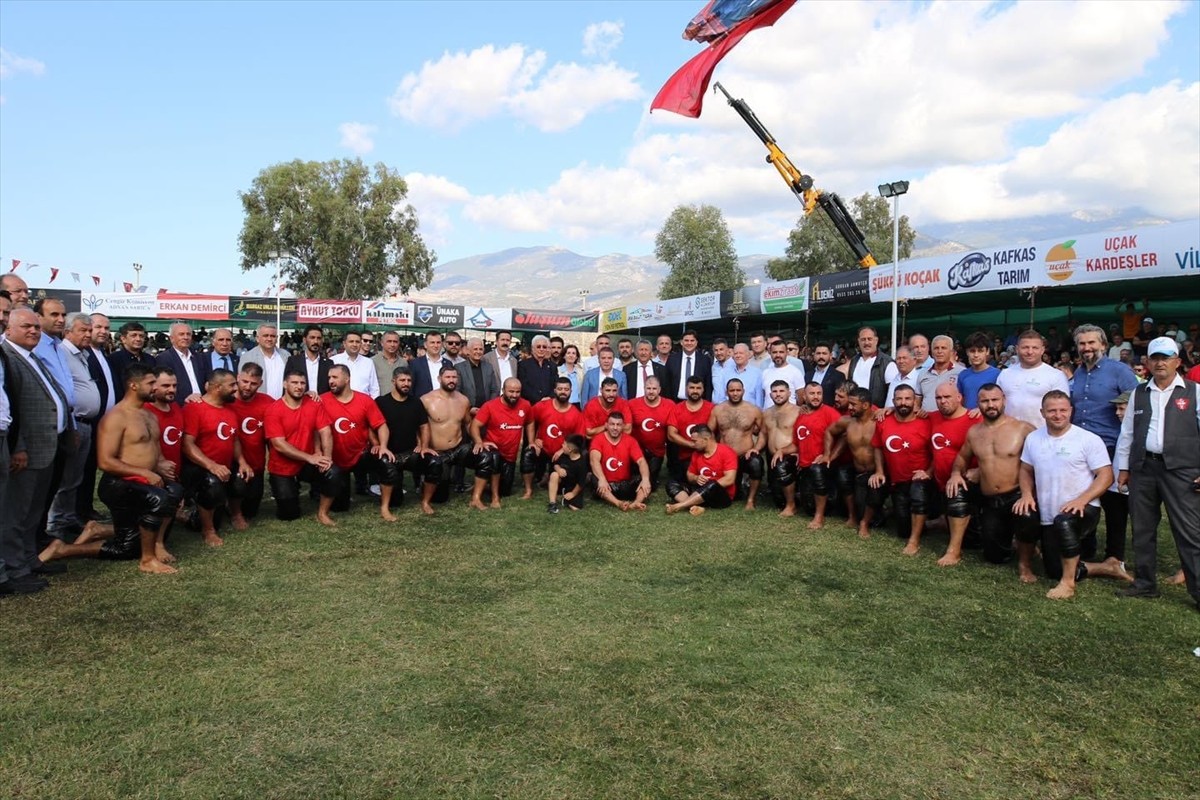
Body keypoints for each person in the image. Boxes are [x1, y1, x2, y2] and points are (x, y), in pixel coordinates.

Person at [37, 363, 181, 575]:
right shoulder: (116, 417)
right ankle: (147, 559)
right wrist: (144, 473)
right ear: (133, 385)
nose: (156, 388)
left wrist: (160, 464)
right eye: (151, 383)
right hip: (119, 484)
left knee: (173, 493)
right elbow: (105, 462)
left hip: (144, 482)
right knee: (153, 508)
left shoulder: (149, 415)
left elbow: (154, 449)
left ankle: (148, 543)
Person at [1115, 336, 1200, 609]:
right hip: (1143, 468)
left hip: (1183, 470)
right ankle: (1144, 583)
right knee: (1142, 528)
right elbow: (1127, 433)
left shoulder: (1195, 391)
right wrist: (1124, 468)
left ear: (1177, 361)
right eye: (1155, 358)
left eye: (1166, 357)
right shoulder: (1139, 392)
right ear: (1148, 362)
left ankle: (1198, 590)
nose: (1160, 362)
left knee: (1189, 531)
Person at [1016, 391, 1126, 600]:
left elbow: (1106, 475)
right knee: (1053, 568)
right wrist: (1026, 494)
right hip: (1050, 514)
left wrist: (1082, 500)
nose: (1058, 415)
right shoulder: (1033, 438)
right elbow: (1025, 470)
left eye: (1063, 410)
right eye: (1052, 411)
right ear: (1042, 412)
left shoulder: (1087, 439)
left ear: (1071, 411)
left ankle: (1067, 584)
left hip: (1083, 509)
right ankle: (1107, 567)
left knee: (1065, 522)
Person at [0, 308, 74, 592]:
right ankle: (15, 569)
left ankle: (31, 559)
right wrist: (18, 447)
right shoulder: (8, 357)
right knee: (16, 513)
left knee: (34, 511)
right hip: (25, 451)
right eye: (26, 326)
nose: (33, 331)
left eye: (36, 327)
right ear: (9, 328)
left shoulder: (31, 356)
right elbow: (11, 409)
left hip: (47, 447)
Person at [946, 383, 1039, 581]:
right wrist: (955, 473)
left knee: (1027, 515)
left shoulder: (1023, 428)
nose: (990, 405)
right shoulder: (974, 432)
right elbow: (962, 459)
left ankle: (1025, 565)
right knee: (995, 556)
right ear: (978, 404)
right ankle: (957, 549)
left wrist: (1029, 493)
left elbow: (1041, 462)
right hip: (991, 501)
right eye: (985, 401)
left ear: (1004, 400)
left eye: (994, 400)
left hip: (1016, 495)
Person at [1068, 322, 1139, 568]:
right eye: (1082, 344)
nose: (1086, 348)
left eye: (1091, 343)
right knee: (1082, 498)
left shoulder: (1120, 371)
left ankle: (1114, 555)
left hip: (1109, 445)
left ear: (1103, 345)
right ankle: (1085, 548)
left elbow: (1136, 404)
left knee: (1114, 504)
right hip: (1080, 446)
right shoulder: (1077, 373)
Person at [46, 312, 102, 543]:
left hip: (85, 424)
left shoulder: (83, 354)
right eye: (83, 330)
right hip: (74, 422)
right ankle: (55, 524)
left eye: (89, 330)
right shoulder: (62, 353)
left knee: (74, 477)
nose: (88, 334)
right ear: (68, 332)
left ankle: (67, 519)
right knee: (65, 478)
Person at [181, 368, 250, 546]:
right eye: (232, 385)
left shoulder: (230, 409)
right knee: (211, 486)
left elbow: (233, 439)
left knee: (241, 477)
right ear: (217, 387)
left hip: (223, 466)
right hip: (200, 468)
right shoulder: (194, 409)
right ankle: (207, 530)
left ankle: (236, 514)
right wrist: (211, 465)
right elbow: (187, 444)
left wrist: (242, 462)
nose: (237, 388)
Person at [264, 370, 339, 526]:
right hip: (283, 465)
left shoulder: (313, 403)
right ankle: (289, 488)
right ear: (285, 384)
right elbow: (279, 444)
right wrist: (309, 457)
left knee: (333, 472)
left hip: (308, 463)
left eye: (302, 383)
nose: (299, 386)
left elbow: (325, 431)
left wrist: (327, 458)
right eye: (294, 382)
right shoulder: (273, 409)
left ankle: (322, 513)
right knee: (289, 514)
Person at [870, 385, 933, 555]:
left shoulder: (927, 421)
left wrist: (929, 471)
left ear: (915, 401)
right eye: (899, 399)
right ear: (893, 401)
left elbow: (937, 452)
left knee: (918, 492)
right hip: (898, 481)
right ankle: (928, 523)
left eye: (907, 399)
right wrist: (879, 471)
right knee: (903, 529)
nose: (903, 402)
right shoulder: (884, 421)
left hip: (921, 480)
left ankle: (914, 541)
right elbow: (877, 447)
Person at [322, 364, 392, 518]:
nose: (331, 381)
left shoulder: (364, 400)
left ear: (347, 379)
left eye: (335, 377)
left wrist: (383, 446)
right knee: (340, 507)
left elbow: (381, 425)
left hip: (361, 454)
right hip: (336, 460)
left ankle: (385, 507)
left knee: (386, 461)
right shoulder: (322, 400)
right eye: (329, 378)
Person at [928, 383, 980, 566]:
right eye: (938, 398)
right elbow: (907, 410)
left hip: (967, 484)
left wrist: (980, 471)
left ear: (960, 397)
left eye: (947, 397)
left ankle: (953, 551)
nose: (942, 401)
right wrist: (888, 408)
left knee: (981, 543)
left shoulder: (975, 419)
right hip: (939, 482)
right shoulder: (933, 417)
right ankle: (943, 520)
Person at [823, 387, 884, 538]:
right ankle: (853, 516)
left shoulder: (879, 420)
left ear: (865, 405)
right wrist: (826, 454)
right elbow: (829, 432)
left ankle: (864, 522)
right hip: (858, 472)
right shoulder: (847, 422)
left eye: (853, 404)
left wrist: (888, 409)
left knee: (874, 501)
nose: (849, 407)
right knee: (843, 475)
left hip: (877, 472)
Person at [375, 367, 433, 517]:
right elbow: (370, 426)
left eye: (408, 380)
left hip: (410, 453)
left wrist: (424, 446)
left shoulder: (416, 402)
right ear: (394, 381)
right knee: (396, 501)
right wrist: (376, 444)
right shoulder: (381, 402)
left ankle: (425, 502)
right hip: (388, 453)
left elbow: (424, 427)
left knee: (435, 462)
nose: (406, 383)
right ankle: (385, 507)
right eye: (402, 380)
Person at [469, 377, 533, 510]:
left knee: (506, 490)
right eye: (511, 391)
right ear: (503, 390)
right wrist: (479, 442)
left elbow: (530, 422)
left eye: (517, 392)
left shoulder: (526, 405)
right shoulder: (490, 406)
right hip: (493, 451)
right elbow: (475, 425)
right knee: (494, 458)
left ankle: (485, 483)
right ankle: (494, 498)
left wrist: (531, 441)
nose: (514, 395)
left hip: (510, 454)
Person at [419, 365, 472, 515]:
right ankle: (426, 492)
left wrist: (478, 441)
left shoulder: (463, 400)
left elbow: (468, 424)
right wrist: (421, 445)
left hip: (457, 448)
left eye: (454, 377)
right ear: (439, 378)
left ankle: (478, 493)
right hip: (437, 451)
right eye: (448, 377)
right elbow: (420, 426)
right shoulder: (426, 399)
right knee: (441, 497)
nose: (451, 380)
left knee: (486, 457)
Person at [522, 376, 584, 499]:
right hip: (543, 449)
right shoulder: (543, 405)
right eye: (560, 388)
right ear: (554, 390)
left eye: (566, 389)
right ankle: (528, 490)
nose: (563, 392)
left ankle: (548, 476)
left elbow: (579, 437)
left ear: (571, 391)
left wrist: (563, 450)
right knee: (528, 453)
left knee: (559, 485)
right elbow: (529, 420)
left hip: (562, 454)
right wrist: (533, 439)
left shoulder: (576, 414)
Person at [708, 378, 765, 510]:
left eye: (738, 390)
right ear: (726, 392)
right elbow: (709, 433)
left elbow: (763, 433)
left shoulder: (753, 410)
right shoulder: (718, 409)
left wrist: (756, 448)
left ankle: (751, 500)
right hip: (725, 458)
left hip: (744, 455)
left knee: (756, 463)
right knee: (734, 495)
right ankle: (738, 488)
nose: (735, 393)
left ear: (743, 391)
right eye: (732, 390)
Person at [229, 363, 273, 529]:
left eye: (253, 383)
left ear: (260, 384)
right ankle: (235, 513)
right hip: (231, 461)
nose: (248, 387)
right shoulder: (227, 400)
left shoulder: (267, 402)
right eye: (244, 381)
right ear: (238, 378)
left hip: (256, 463)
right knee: (238, 484)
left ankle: (235, 506)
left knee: (252, 510)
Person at [996, 330, 1070, 428]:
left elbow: (1062, 410)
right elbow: (996, 404)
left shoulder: (1056, 375)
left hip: (1042, 436)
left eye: (1035, 348)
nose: (1030, 352)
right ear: (1017, 349)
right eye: (1025, 347)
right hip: (1009, 435)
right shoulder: (1005, 374)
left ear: (1042, 350)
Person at [665, 425, 737, 515]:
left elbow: (729, 479)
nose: (693, 444)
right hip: (700, 493)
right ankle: (693, 506)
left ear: (706, 439)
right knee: (672, 484)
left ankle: (678, 506)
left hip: (721, 497)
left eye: (695, 441)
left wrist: (710, 485)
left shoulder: (726, 452)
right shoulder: (696, 454)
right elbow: (689, 475)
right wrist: (696, 478)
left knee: (712, 484)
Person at [588, 411, 652, 511]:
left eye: (618, 425)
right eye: (612, 424)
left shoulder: (630, 440)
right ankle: (618, 503)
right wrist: (602, 479)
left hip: (624, 485)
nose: (615, 428)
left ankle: (636, 503)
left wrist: (645, 479)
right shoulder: (598, 439)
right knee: (594, 478)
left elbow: (641, 461)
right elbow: (594, 461)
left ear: (623, 426)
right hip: (606, 485)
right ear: (606, 425)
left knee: (646, 477)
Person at [628, 376, 674, 491]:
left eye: (654, 388)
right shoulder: (632, 404)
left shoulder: (670, 405)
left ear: (659, 390)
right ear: (644, 388)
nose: (651, 391)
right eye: (648, 388)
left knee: (650, 484)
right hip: (637, 451)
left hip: (656, 452)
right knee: (633, 480)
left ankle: (653, 479)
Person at [763, 380, 801, 517]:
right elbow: (763, 435)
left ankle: (791, 506)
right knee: (778, 500)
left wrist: (798, 451)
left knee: (783, 470)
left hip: (790, 455)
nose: (778, 394)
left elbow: (804, 434)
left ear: (789, 393)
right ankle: (791, 499)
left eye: (781, 391)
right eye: (775, 391)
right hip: (772, 457)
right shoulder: (766, 413)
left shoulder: (798, 411)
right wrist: (755, 448)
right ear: (770, 394)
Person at [665, 377, 714, 483]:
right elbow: (671, 435)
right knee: (683, 481)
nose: (695, 391)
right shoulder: (676, 408)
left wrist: (702, 446)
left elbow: (714, 433)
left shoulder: (711, 408)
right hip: (684, 456)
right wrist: (692, 445)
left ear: (703, 390)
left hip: (707, 455)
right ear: (686, 389)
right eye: (692, 387)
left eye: (698, 388)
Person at [846, 326, 898, 409]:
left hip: (876, 413)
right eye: (863, 339)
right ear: (858, 341)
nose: (866, 343)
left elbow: (893, 392)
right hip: (854, 412)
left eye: (869, 339)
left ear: (876, 340)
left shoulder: (887, 363)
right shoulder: (854, 361)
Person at [915, 335, 966, 413]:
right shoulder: (923, 374)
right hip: (927, 420)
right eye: (936, 348)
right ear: (931, 352)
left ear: (951, 352)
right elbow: (917, 402)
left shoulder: (962, 373)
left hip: (951, 420)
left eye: (943, 348)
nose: (939, 351)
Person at [238, 324, 287, 399]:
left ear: (277, 338)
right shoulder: (248, 357)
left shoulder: (285, 355)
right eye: (265, 336)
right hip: (257, 404)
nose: (269, 339)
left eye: (273, 336)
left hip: (282, 405)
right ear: (257, 338)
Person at [285, 324, 333, 399]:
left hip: (322, 405)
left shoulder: (328, 363)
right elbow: (286, 386)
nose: (315, 341)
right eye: (312, 338)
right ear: (304, 340)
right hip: (300, 405)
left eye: (319, 338)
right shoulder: (293, 361)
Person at [957, 332, 1001, 411]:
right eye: (972, 351)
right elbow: (960, 399)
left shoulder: (998, 374)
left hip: (990, 419)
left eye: (980, 351)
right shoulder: (963, 375)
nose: (976, 355)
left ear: (987, 351)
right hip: (968, 419)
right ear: (967, 352)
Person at [665, 330, 713, 402]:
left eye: (692, 340)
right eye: (686, 340)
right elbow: (667, 383)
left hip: (698, 402)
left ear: (696, 343)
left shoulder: (705, 360)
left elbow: (708, 384)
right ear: (681, 342)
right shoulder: (672, 359)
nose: (689, 343)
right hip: (676, 402)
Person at [331, 331, 380, 399]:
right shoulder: (334, 361)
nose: (354, 344)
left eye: (357, 342)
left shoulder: (368, 362)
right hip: (339, 404)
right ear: (344, 343)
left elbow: (374, 388)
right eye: (351, 341)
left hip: (363, 404)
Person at [546, 434, 588, 513]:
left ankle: (564, 498)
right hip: (563, 483)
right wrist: (558, 469)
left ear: (570, 449)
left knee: (575, 508)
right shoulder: (564, 455)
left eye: (564, 444)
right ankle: (552, 503)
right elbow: (555, 464)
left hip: (574, 487)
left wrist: (573, 493)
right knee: (554, 475)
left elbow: (580, 483)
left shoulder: (581, 464)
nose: (562, 445)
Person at [457, 337, 499, 411]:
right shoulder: (459, 368)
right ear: (468, 351)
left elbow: (494, 390)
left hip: (486, 411)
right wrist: (469, 408)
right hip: (466, 411)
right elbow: (457, 392)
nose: (478, 352)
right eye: (475, 349)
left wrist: (489, 407)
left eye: (480, 349)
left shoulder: (488, 367)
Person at [411, 331, 454, 398]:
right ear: (425, 344)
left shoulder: (448, 363)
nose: (436, 345)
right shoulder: (415, 364)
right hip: (421, 405)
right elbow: (411, 387)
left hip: (444, 404)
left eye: (438, 342)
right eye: (432, 342)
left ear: (442, 344)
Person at [517, 334, 557, 404]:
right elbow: (523, 386)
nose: (541, 349)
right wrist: (539, 399)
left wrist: (549, 397)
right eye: (538, 347)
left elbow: (555, 385)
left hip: (548, 404)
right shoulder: (523, 365)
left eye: (544, 347)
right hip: (529, 404)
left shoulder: (552, 366)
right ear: (533, 348)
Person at [802, 341, 843, 406]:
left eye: (824, 353)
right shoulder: (808, 375)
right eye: (818, 353)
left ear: (830, 355)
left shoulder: (838, 375)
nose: (821, 356)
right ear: (814, 355)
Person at [709, 338, 734, 404]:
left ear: (727, 350)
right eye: (716, 350)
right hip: (715, 406)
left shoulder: (735, 366)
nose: (719, 353)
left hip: (731, 406)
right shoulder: (714, 367)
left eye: (721, 349)